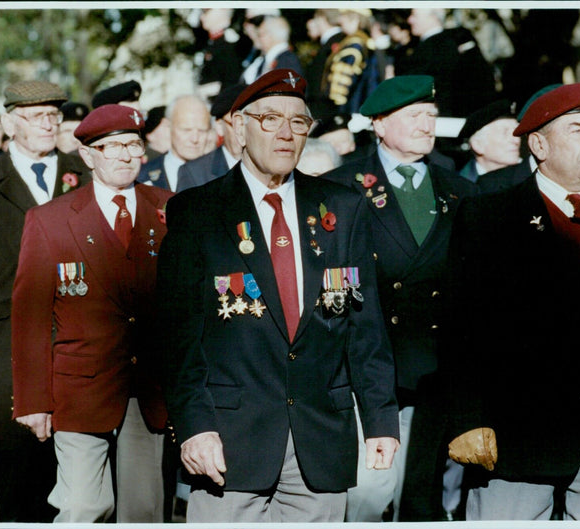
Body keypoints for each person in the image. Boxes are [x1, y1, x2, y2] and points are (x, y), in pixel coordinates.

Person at [157, 68, 399, 523]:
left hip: (322, 440)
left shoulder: (342, 208)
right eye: (270, 119)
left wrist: (380, 420)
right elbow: (177, 336)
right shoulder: (197, 211)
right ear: (238, 127)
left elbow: (364, 327)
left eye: (299, 122)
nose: (286, 134)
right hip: (228, 443)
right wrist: (194, 427)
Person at [445, 83, 580, 520]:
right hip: (518, 431)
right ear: (538, 144)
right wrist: (468, 418)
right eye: (576, 129)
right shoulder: (489, 217)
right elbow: (461, 327)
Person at [322, 74, 476, 522]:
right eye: (415, 116)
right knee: (367, 496)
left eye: (431, 115)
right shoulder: (341, 187)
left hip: (434, 369)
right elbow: (333, 282)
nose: (428, 124)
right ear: (380, 124)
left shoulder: (460, 191)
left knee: (421, 497)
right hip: (364, 366)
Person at [11, 104, 172, 522]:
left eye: (132, 145)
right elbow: (30, 316)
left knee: (143, 509)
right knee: (83, 505)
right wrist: (33, 400)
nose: (123, 155)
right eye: (111, 146)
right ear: (87, 156)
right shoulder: (51, 220)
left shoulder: (169, 209)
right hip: (79, 387)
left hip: (148, 385)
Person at [0, 80, 91, 522]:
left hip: (80, 332)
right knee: (16, 457)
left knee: (78, 454)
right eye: (36, 116)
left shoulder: (82, 173)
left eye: (53, 116)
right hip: (5, 335)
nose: (48, 124)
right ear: (10, 123)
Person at [401, 8, 495, 117]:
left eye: (415, 15)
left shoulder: (434, 47)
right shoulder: (457, 39)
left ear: (433, 17)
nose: (410, 20)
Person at [177, 83, 245, 192]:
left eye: (250, 125)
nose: (244, 132)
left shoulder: (272, 166)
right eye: (236, 125)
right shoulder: (194, 174)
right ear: (219, 127)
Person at [137, 94, 211, 192]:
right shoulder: (142, 177)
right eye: (186, 130)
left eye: (202, 130)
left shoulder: (224, 173)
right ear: (169, 126)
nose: (195, 139)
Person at [457, 99, 521, 184]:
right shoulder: (459, 186)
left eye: (516, 132)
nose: (516, 140)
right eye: (505, 132)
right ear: (478, 145)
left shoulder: (530, 179)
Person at [240, 16, 303, 84]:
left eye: (260, 34)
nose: (258, 38)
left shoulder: (288, 61)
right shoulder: (264, 60)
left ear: (271, 36)